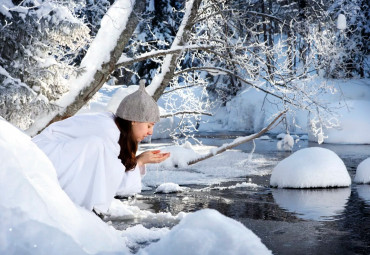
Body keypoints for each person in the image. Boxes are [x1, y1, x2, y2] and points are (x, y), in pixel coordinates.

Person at [32, 80, 170, 213]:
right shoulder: (108, 130)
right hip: (41, 157)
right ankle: (74, 209)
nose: (151, 131)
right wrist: (140, 161)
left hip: (49, 155)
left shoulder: (113, 128)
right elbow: (116, 184)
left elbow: (111, 176)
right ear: (134, 121)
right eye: (149, 125)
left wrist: (139, 160)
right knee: (95, 146)